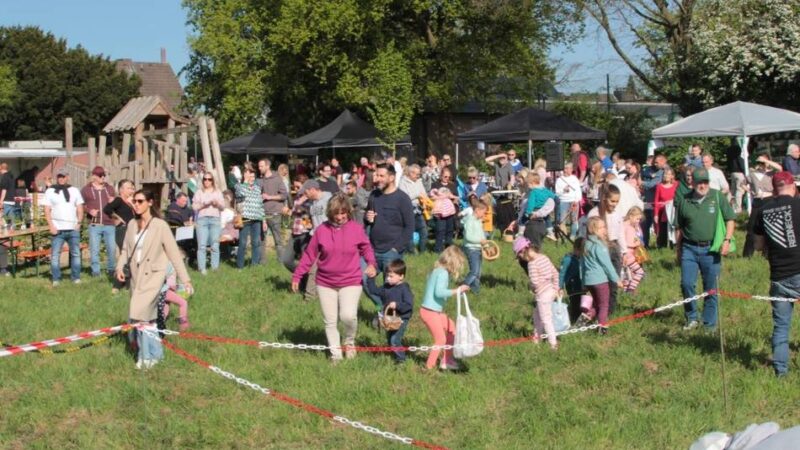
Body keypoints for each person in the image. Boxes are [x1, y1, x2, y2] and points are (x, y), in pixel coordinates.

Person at [292, 193, 377, 363]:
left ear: (348, 212)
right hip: (325, 282)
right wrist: (297, 275)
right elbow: (309, 255)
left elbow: (366, 248)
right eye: (336, 214)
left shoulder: (356, 229)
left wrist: (371, 264)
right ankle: (336, 355)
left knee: (348, 315)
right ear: (330, 213)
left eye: (343, 213)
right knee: (330, 321)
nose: (339, 217)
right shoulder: (321, 231)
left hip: (351, 280)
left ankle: (349, 340)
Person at [116, 189, 192, 369]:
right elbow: (126, 250)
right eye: (134, 201)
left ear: (150, 202)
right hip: (137, 277)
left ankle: (146, 356)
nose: (136, 204)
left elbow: (174, 253)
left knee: (141, 315)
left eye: (140, 201)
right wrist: (120, 267)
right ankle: (153, 355)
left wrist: (185, 280)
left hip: (154, 277)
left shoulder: (160, 225)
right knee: (145, 319)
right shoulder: (132, 225)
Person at [675, 167, 736, 331]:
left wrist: (727, 240)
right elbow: (679, 227)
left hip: (711, 249)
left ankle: (709, 324)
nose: (702, 185)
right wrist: (678, 249)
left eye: (705, 182)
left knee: (711, 288)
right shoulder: (684, 200)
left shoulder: (717, 196)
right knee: (687, 283)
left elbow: (730, 219)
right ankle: (692, 318)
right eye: (699, 182)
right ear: (692, 183)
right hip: (689, 247)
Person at [753, 171, 800, 377]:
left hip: (778, 275)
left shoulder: (763, 211)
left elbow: (758, 245)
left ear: (774, 189)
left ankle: (781, 372)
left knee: (781, 326)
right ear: (794, 187)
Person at [364, 164, 415, 311]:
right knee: (364, 279)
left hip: (391, 251)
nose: (377, 179)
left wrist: (396, 248)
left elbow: (409, 227)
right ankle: (382, 305)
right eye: (376, 175)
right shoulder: (374, 195)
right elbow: (367, 220)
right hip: (372, 249)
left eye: (381, 176)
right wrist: (368, 218)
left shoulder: (402, 199)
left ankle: (390, 318)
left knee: (391, 287)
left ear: (391, 177)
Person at [419, 245, 470, 370]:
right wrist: (457, 290)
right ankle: (429, 367)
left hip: (435, 311)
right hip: (430, 312)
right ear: (453, 262)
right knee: (440, 339)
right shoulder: (443, 273)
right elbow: (439, 293)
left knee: (452, 329)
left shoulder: (437, 270)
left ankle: (447, 360)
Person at [577, 217, 622, 334]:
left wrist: (582, 280)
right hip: (600, 281)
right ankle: (602, 330)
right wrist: (616, 279)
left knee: (597, 304)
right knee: (604, 306)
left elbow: (582, 265)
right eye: (601, 227)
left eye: (604, 227)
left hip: (588, 281)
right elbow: (607, 264)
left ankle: (582, 322)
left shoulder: (585, 244)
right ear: (593, 230)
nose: (605, 230)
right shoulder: (599, 246)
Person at [514, 237, 560, 350]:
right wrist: (556, 288)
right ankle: (536, 338)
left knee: (546, 319)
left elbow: (534, 281)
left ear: (523, 251)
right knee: (537, 315)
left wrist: (532, 287)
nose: (520, 258)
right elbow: (555, 273)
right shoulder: (544, 257)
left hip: (542, 295)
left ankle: (553, 344)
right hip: (551, 291)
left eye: (519, 255)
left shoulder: (531, 264)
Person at [585, 184, 624, 315]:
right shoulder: (594, 213)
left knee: (614, 281)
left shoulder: (617, 213)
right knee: (601, 283)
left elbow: (620, 233)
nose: (615, 204)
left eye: (617, 201)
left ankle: (609, 312)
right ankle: (597, 310)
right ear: (604, 198)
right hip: (599, 248)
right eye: (612, 201)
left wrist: (624, 251)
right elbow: (587, 235)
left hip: (614, 247)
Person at [365, 259, 414, 363]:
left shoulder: (404, 288)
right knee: (390, 338)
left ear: (401, 276)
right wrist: (371, 278)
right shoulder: (386, 287)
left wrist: (397, 305)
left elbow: (409, 305)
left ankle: (401, 360)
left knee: (395, 340)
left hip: (401, 318)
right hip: (390, 318)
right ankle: (395, 355)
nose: (387, 278)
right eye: (387, 275)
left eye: (391, 276)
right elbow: (373, 290)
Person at [44, 169, 84, 286]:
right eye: (59, 176)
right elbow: (47, 210)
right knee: (55, 254)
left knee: (75, 253)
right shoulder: (50, 191)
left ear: (67, 177)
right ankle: (56, 278)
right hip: (57, 229)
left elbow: (80, 207)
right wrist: (51, 225)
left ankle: (75, 277)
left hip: (72, 228)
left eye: (63, 176)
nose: (61, 179)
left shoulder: (74, 190)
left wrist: (79, 223)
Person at [80, 166, 117, 278]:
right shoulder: (86, 190)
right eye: (100, 175)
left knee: (111, 249)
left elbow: (116, 204)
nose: (103, 177)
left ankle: (111, 270)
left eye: (104, 175)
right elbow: (81, 205)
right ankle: (95, 272)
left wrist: (113, 202)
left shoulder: (109, 189)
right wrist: (89, 210)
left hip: (109, 223)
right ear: (94, 176)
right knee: (94, 249)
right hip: (94, 224)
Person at [104, 179, 136, 294]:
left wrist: (133, 203)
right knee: (126, 255)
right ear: (121, 190)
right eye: (128, 188)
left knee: (131, 256)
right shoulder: (118, 200)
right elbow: (107, 209)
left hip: (133, 231)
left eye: (132, 187)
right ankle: (117, 285)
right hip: (122, 231)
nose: (131, 190)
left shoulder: (132, 201)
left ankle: (128, 283)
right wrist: (116, 218)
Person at [235, 163, 266, 268]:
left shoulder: (257, 188)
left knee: (256, 242)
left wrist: (264, 220)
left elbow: (260, 205)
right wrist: (245, 181)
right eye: (250, 176)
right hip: (245, 218)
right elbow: (240, 194)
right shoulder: (239, 186)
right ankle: (240, 265)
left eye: (253, 177)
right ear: (245, 176)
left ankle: (255, 264)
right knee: (243, 242)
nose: (252, 179)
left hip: (257, 218)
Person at [744, 156, 776, 257]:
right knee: (751, 228)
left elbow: (780, 168)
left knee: (769, 227)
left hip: (768, 200)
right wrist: (750, 191)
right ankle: (747, 254)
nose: (761, 164)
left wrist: (766, 161)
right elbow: (742, 184)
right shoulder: (752, 174)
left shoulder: (771, 173)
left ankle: (766, 253)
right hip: (757, 201)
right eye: (760, 162)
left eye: (763, 162)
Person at [192, 172, 224, 274]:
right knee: (202, 245)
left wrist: (217, 203)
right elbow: (194, 207)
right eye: (205, 179)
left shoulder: (218, 192)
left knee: (215, 244)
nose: (207, 181)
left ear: (212, 181)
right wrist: (203, 205)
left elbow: (223, 207)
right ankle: (202, 268)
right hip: (202, 220)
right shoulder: (198, 192)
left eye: (209, 179)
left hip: (215, 219)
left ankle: (215, 267)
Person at [258, 159, 288, 264]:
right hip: (263, 214)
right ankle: (262, 262)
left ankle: (281, 262)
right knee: (261, 240)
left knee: (278, 240)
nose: (259, 168)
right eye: (259, 166)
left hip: (275, 214)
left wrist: (269, 197)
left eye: (261, 166)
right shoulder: (260, 180)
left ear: (267, 166)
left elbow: (284, 195)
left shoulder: (277, 179)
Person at [398, 164, 430, 254]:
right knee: (409, 232)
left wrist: (424, 201)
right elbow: (405, 197)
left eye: (419, 174)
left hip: (419, 209)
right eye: (416, 174)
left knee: (424, 231)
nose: (418, 176)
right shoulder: (402, 182)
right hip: (408, 210)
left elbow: (424, 193)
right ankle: (411, 252)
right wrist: (417, 195)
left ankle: (422, 250)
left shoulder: (419, 181)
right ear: (411, 173)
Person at [462, 198, 487, 294]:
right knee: (474, 271)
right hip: (471, 249)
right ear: (477, 210)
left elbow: (481, 234)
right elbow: (468, 237)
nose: (484, 215)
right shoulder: (469, 221)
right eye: (483, 212)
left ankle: (475, 290)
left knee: (478, 272)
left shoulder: (478, 221)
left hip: (478, 248)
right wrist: (480, 241)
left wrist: (485, 244)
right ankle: (463, 287)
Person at [642, 155, 669, 248]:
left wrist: (641, 183)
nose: (655, 164)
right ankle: (645, 244)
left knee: (656, 225)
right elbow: (644, 172)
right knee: (645, 224)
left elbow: (653, 184)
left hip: (656, 203)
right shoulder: (653, 170)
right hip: (649, 202)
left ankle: (660, 245)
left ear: (663, 161)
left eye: (657, 162)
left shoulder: (664, 172)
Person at [430, 167, 459, 252]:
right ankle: (438, 249)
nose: (447, 179)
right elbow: (432, 196)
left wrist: (454, 200)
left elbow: (455, 197)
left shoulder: (452, 185)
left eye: (449, 177)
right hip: (440, 212)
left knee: (450, 230)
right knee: (440, 230)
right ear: (441, 176)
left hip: (450, 212)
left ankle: (448, 248)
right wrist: (442, 197)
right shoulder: (435, 185)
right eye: (445, 176)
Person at [559, 237, 585, 321]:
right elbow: (562, 273)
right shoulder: (568, 259)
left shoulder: (581, 259)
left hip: (580, 283)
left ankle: (580, 316)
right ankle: (574, 318)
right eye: (581, 251)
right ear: (576, 249)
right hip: (572, 284)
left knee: (581, 300)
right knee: (575, 301)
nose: (582, 254)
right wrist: (560, 286)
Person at [621, 206, 646, 293]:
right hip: (628, 254)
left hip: (624, 254)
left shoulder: (624, 225)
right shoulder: (629, 228)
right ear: (631, 216)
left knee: (627, 275)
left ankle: (625, 292)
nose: (638, 221)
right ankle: (631, 290)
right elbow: (628, 243)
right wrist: (637, 243)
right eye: (637, 219)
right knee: (639, 272)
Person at [555, 162, 582, 239]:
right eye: (565, 168)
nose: (565, 170)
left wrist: (576, 201)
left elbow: (578, 191)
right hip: (563, 201)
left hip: (573, 201)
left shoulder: (574, 179)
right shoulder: (559, 180)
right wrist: (563, 190)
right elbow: (557, 193)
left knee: (574, 219)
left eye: (568, 168)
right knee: (562, 220)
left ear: (571, 169)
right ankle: (562, 235)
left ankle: (572, 235)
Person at [654, 168, 678, 248]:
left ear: (672, 176)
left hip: (673, 212)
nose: (666, 176)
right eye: (665, 174)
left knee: (673, 228)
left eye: (668, 174)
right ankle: (662, 246)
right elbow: (656, 201)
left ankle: (674, 244)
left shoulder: (676, 185)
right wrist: (656, 214)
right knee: (662, 230)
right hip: (662, 212)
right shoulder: (659, 186)